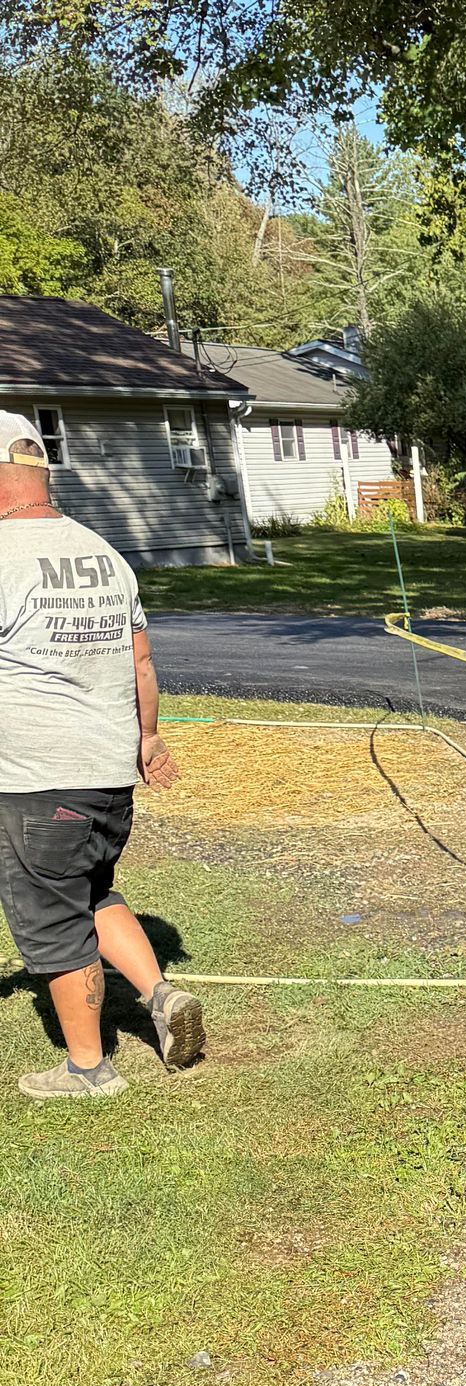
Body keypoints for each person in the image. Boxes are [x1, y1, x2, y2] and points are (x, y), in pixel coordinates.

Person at [0, 408, 205, 1100]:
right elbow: (141, 661)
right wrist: (148, 740)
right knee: (90, 891)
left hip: (34, 779)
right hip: (107, 775)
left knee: (53, 919)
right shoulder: (104, 555)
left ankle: (88, 1069)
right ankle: (159, 996)